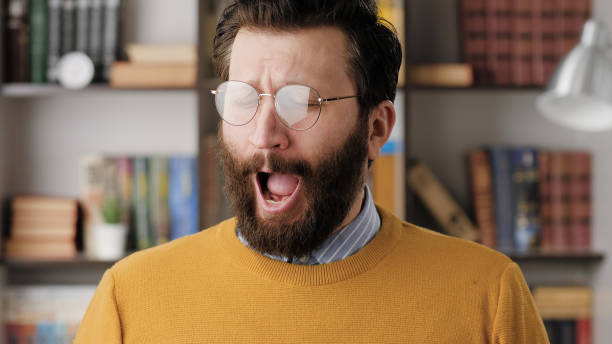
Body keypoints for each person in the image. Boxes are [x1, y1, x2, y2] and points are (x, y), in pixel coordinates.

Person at [75, 1, 550, 343]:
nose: (265, 135)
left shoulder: (490, 296)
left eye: (300, 102)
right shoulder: (130, 298)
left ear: (376, 128)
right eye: (242, 98)